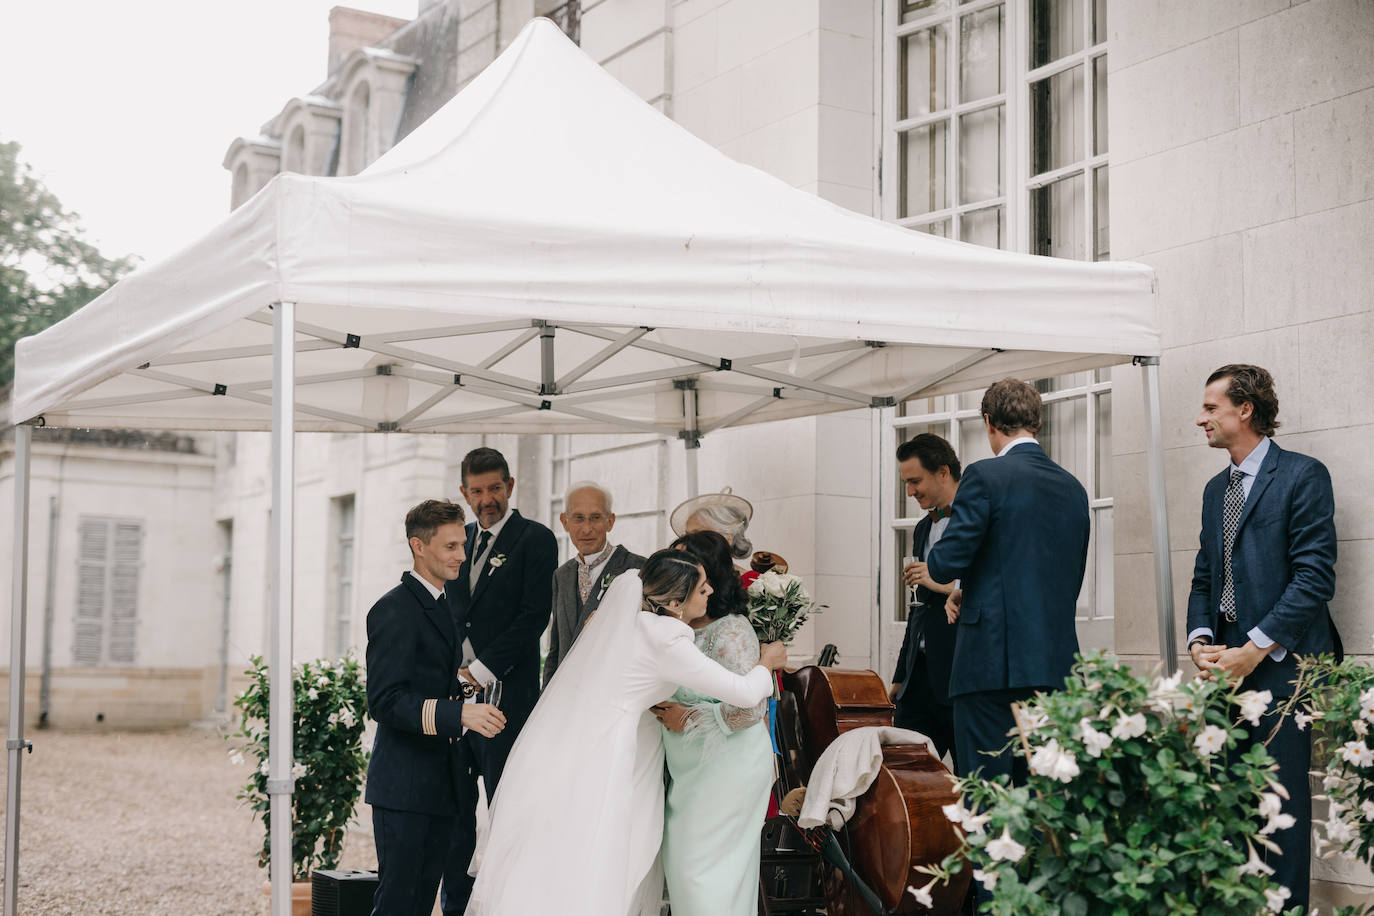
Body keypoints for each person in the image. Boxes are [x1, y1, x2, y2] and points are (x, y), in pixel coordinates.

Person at [464, 549, 788, 916]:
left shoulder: (629, 623)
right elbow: (743, 693)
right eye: (701, 590)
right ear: (675, 602)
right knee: (610, 856)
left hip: (591, 741)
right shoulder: (668, 639)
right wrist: (766, 662)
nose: (711, 592)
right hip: (614, 752)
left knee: (574, 853)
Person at [1187, 364, 1340, 911]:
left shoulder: (1302, 475)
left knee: (1279, 804)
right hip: (1221, 665)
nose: (1200, 417)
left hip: (1280, 665)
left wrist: (1254, 648)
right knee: (1227, 801)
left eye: (1211, 407)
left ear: (1244, 410)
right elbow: (1207, 573)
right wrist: (1200, 640)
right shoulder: (1214, 489)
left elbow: (1315, 577)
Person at [925, 378, 1090, 785]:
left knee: (988, 797)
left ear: (989, 422)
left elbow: (945, 564)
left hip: (990, 665)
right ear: (1037, 421)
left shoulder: (984, 476)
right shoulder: (1074, 488)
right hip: (1054, 665)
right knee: (1043, 801)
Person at [364, 499, 506, 916]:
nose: (462, 555)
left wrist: (465, 688)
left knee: (422, 903)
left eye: (463, 545)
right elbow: (385, 702)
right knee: (398, 904)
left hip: (440, 782)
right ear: (418, 546)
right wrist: (459, 715)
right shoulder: (393, 610)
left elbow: (429, 680)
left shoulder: (442, 601)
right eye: (450, 547)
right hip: (404, 786)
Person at [440, 447, 558, 915]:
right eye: (477, 490)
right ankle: (456, 907)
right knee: (454, 814)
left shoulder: (536, 538)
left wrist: (480, 670)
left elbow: (534, 617)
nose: (487, 498)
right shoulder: (458, 540)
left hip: (507, 699)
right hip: (453, 704)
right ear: (464, 493)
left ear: (510, 485)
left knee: (506, 813)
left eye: (494, 488)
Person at [652, 531, 772, 916]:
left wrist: (688, 717)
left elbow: (751, 710)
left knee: (706, 875)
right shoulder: (674, 629)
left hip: (729, 768)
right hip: (688, 770)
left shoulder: (731, 629)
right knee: (685, 869)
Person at [890, 433, 961, 769]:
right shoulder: (921, 528)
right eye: (906, 482)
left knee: (971, 783)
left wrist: (936, 581)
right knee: (903, 777)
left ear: (943, 472)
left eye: (915, 481)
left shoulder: (976, 520)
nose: (910, 491)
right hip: (917, 683)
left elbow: (992, 585)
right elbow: (917, 606)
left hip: (960, 675)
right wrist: (900, 674)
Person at [544, 480, 645, 687]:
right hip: (566, 695)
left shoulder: (639, 569)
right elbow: (556, 649)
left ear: (610, 521)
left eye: (596, 518)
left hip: (612, 693)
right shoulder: (561, 576)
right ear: (564, 522)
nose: (587, 528)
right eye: (578, 518)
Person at [669, 487, 753, 561]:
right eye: (687, 535)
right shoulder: (682, 576)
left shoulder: (750, 578)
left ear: (727, 538)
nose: (688, 542)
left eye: (698, 534)